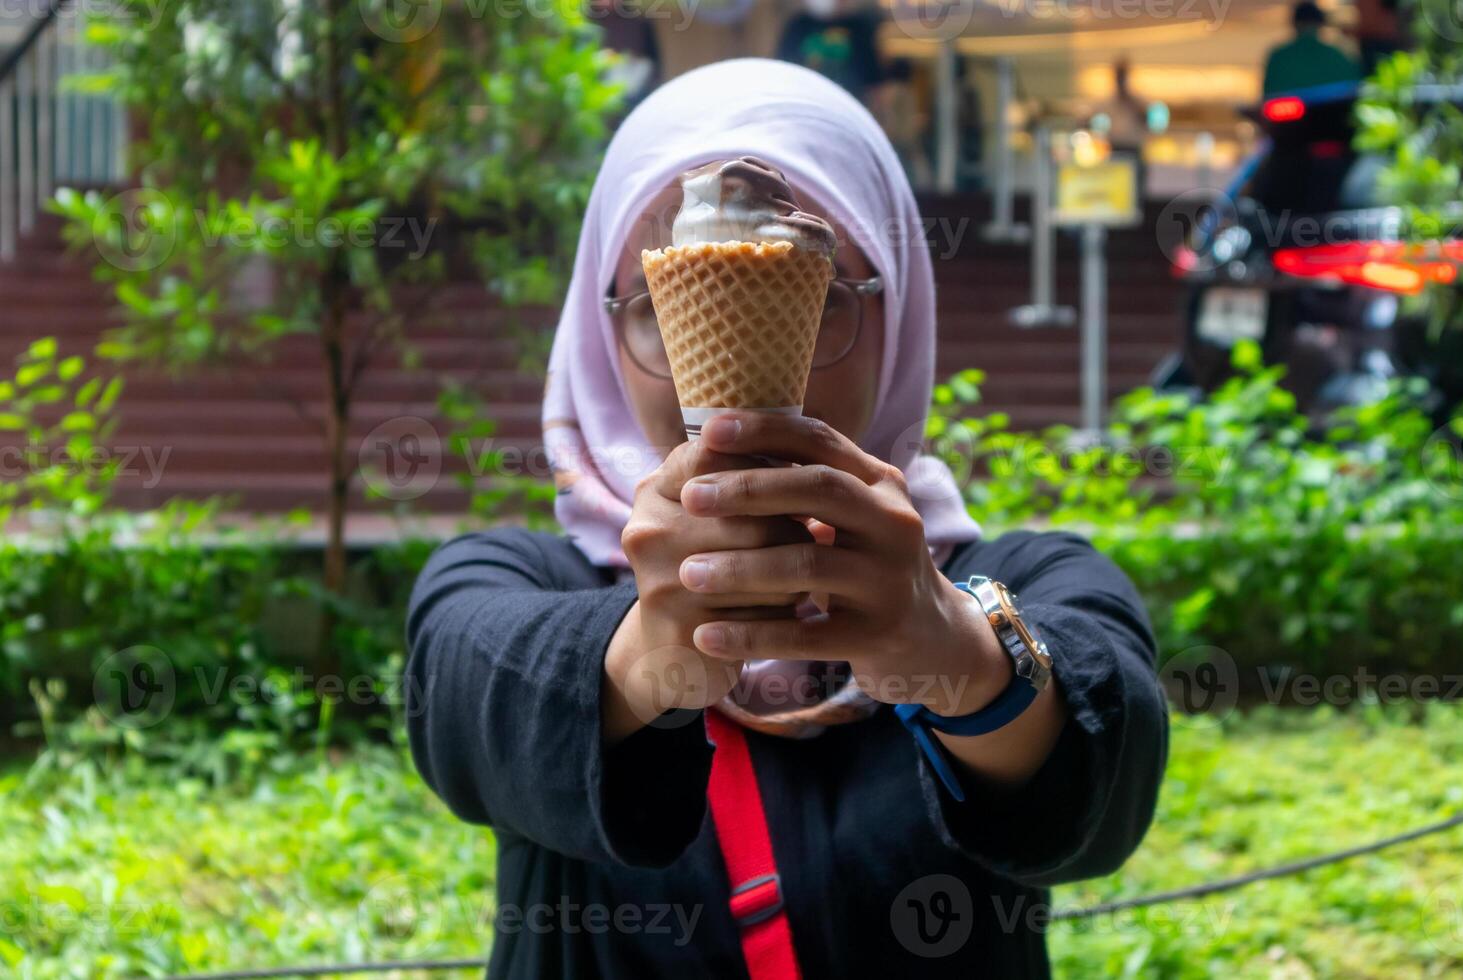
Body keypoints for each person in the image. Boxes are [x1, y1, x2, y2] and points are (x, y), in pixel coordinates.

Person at [405, 58, 1168, 978]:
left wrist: (955, 650)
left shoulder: (1020, 580)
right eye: (658, 304)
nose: (760, 387)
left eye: (824, 295)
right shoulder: (513, 579)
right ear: (603, 337)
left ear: (897, 317)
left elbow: (1105, 773)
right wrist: (651, 648)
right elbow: (456, 698)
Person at [1262, 1, 1361, 98]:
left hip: (1287, 110)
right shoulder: (1338, 56)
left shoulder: (1279, 57)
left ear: (1294, 24)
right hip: (1332, 111)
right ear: (1320, 24)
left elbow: (1268, 95)